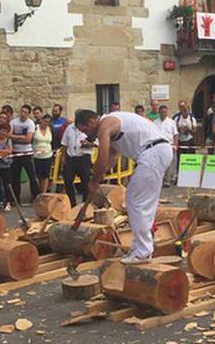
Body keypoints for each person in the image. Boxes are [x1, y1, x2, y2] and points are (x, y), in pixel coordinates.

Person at [76, 110, 172, 264]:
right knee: (142, 201)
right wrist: (100, 175)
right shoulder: (111, 125)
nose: (87, 135)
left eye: (85, 130)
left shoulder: (105, 125)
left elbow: (102, 157)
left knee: (135, 200)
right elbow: (113, 157)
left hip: (153, 152)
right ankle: (140, 248)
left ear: (91, 122)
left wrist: (94, 181)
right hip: (156, 152)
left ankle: (142, 251)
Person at [61, 114, 94, 208]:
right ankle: (72, 204)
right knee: (67, 181)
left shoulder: (88, 128)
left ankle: (85, 205)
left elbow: (96, 143)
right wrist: (63, 158)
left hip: (83, 158)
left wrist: (88, 143)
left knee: (86, 183)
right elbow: (64, 144)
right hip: (71, 158)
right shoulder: (69, 128)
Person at [8, 105, 40, 204]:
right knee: (15, 177)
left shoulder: (30, 124)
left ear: (28, 113)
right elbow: (9, 135)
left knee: (32, 176)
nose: (23, 114)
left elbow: (28, 140)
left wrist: (15, 137)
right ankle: (15, 199)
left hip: (27, 152)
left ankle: (35, 196)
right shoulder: (13, 122)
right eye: (22, 111)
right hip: (15, 152)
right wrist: (21, 137)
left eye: (25, 112)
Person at [153, 105, 178, 187]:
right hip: (159, 146)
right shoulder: (155, 122)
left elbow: (175, 135)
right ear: (159, 112)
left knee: (169, 164)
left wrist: (176, 145)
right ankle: (160, 180)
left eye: (165, 112)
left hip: (169, 145)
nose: (164, 113)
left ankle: (167, 181)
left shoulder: (171, 122)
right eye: (162, 112)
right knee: (160, 164)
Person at [33, 114, 54, 194]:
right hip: (37, 156)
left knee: (45, 175)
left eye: (48, 122)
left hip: (48, 155)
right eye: (45, 121)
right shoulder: (35, 128)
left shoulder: (50, 129)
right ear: (42, 120)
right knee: (38, 176)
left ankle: (43, 193)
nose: (46, 124)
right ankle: (37, 192)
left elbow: (52, 141)